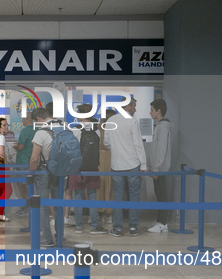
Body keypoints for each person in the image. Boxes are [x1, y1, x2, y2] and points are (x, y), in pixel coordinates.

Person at [103, 97, 146, 237]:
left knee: (118, 197)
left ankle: (117, 228)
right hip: (133, 164)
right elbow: (138, 145)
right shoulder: (132, 121)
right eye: (134, 106)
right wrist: (144, 165)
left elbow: (106, 143)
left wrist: (116, 150)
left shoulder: (110, 121)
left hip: (116, 165)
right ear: (128, 106)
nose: (135, 109)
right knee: (134, 196)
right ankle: (133, 227)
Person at [69, 104, 108, 235]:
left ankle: (79, 226)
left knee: (78, 197)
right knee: (92, 196)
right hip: (93, 167)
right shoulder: (97, 130)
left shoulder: (76, 129)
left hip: (78, 168)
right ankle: (94, 225)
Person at [29, 106, 65, 247]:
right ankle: (60, 237)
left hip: (44, 172)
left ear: (38, 119)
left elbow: (34, 158)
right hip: (61, 172)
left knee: (43, 206)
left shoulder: (40, 133)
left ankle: (48, 239)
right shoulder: (63, 127)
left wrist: (31, 173)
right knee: (58, 206)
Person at [148, 99, 174, 233]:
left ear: (159, 111)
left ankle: (163, 223)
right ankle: (161, 221)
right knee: (160, 194)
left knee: (162, 194)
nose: (150, 112)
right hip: (158, 168)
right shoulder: (160, 126)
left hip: (161, 169)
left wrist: (156, 168)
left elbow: (162, 149)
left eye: (152, 109)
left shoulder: (163, 127)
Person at [14, 111, 35, 215]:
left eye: (23, 118)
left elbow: (20, 147)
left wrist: (15, 146)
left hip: (23, 162)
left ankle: (27, 207)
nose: (22, 120)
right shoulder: (37, 130)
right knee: (29, 185)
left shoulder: (25, 131)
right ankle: (29, 206)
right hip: (32, 162)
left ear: (28, 119)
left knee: (23, 185)